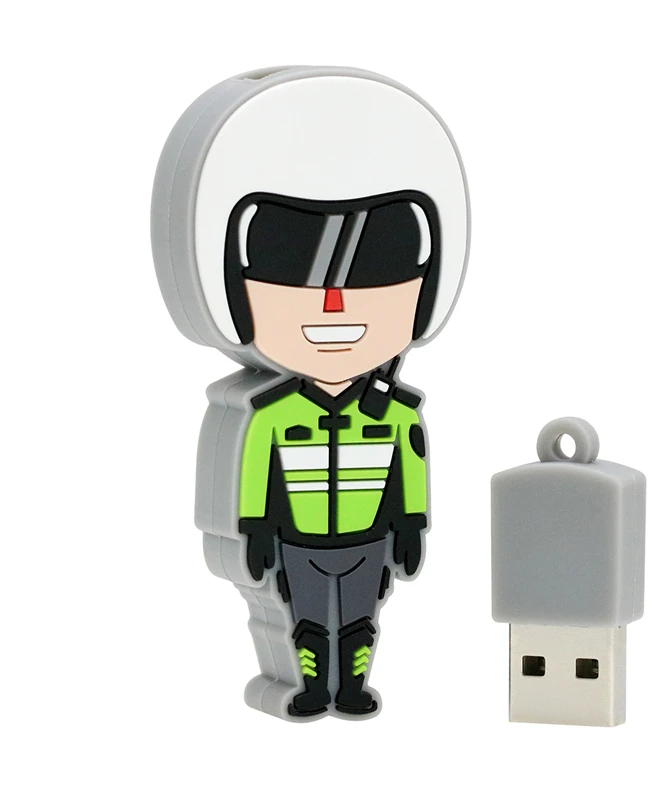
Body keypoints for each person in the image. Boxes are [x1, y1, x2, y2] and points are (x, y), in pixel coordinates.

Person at [151, 66, 470, 720]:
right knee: (299, 620)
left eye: (371, 275)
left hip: (368, 537)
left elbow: (407, 465)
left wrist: (410, 523)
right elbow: (253, 470)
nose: (333, 305)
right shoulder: (267, 412)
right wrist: (253, 529)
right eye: (297, 277)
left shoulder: (396, 413)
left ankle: (349, 686)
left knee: (359, 619)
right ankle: (308, 684)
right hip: (295, 540)